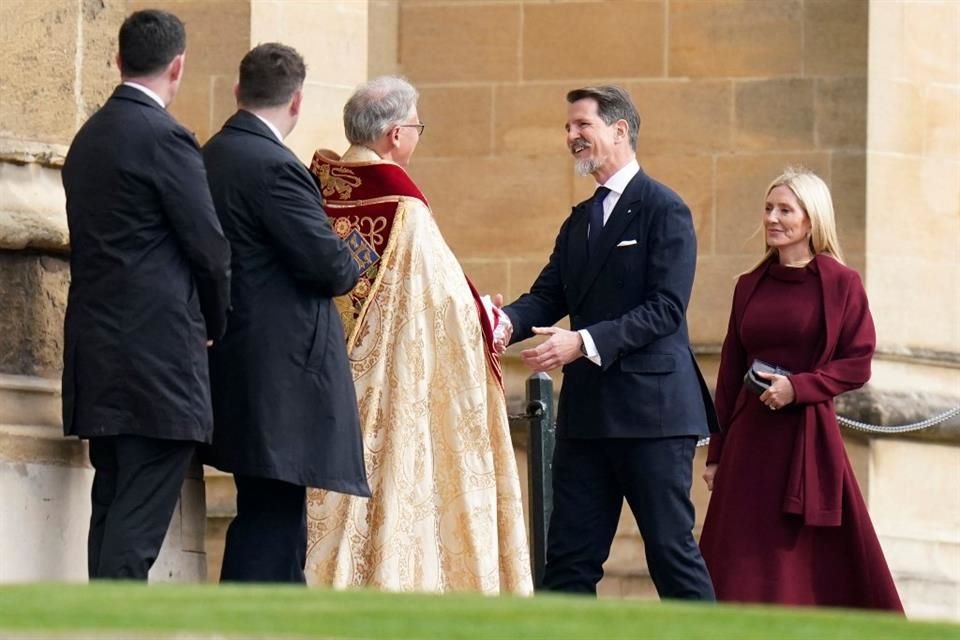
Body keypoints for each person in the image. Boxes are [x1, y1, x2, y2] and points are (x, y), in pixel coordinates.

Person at [304, 76, 532, 594]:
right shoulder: (403, 207)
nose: (416, 136)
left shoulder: (317, 188)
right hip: (387, 384)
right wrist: (488, 315)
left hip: (326, 374)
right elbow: (444, 302)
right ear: (395, 135)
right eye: (416, 126)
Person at [496, 86, 716, 599]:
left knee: (670, 555)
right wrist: (497, 322)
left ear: (619, 130)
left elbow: (666, 308)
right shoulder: (579, 221)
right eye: (567, 128)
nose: (571, 136)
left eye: (582, 125)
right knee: (567, 566)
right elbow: (546, 297)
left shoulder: (665, 208)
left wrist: (583, 342)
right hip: (587, 417)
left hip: (653, 416)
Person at [60, 9, 231, 580]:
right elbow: (210, 249)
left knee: (111, 507)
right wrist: (215, 322)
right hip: (157, 360)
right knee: (132, 529)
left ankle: (95, 620)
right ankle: (115, 623)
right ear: (177, 66)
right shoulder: (165, 137)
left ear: (118, 60)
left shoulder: (88, 138)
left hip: (98, 355)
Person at [698, 168, 903, 612]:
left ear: (811, 219)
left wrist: (799, 388)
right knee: (737, 557)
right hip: (749, 440)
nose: (772, 218)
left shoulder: (841, 283)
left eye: (785, 210)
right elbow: (729, 374)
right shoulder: (748, 285)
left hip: (808, 439)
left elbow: (857, 362)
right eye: (768, 208)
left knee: (807, 561)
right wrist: (716, 453)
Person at [202, 43, 368, 583]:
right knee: (272, 522)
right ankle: (251, 621)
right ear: (296, 101)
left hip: (232, 359)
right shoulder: (274, 167)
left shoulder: (210, 155)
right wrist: (348, 253)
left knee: (266, 513)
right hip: (279, 374)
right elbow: (331, 267)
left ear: (238, 90)